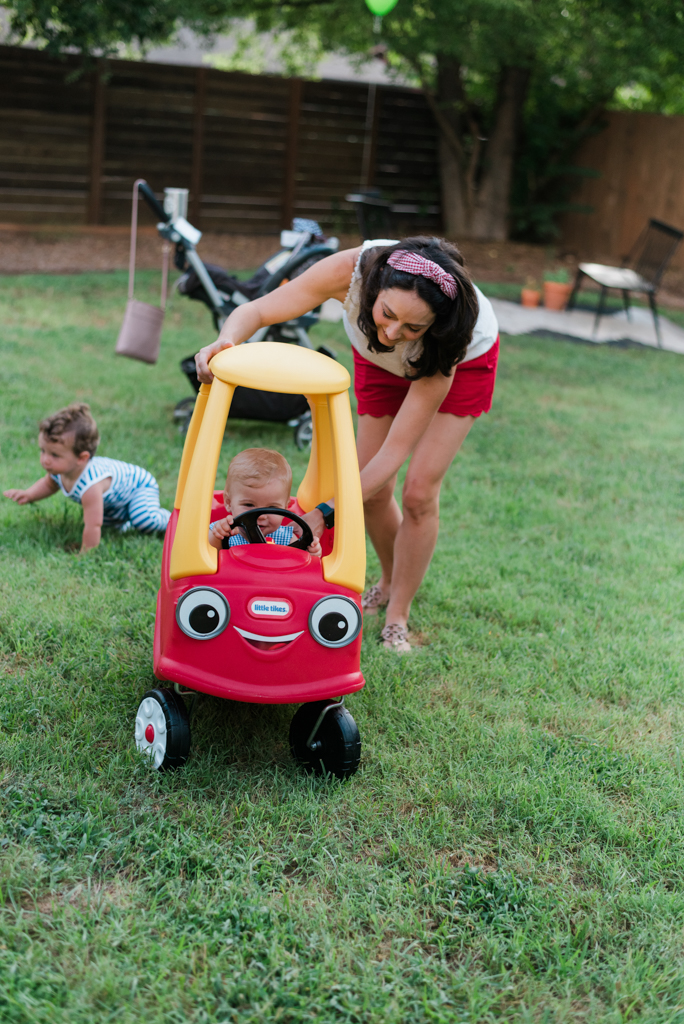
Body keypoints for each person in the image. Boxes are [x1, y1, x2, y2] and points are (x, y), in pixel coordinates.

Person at [195, 236, 499, 653]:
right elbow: (261, 308)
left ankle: (399, 614)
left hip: (452, 364)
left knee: (418, 493)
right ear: (373, 290)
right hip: (376, 360)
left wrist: (325, 513)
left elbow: (396, 451)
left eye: (411, 326)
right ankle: (388, 581)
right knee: (370, 496)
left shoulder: (449, 337)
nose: (393, 331)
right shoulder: (349, 273)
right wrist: (225, 342)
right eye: (387, 314)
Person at [3, 403, 171, 552]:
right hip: (116, 500)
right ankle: (125, 520)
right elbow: (48, 484)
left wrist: (86, 552)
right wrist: (29, 494)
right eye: (43, 450)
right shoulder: (60, 471)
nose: (45, 459)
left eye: (54, 455)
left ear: (82, 458)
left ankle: (173, 521)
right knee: (113, 526)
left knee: (144, 521)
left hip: (139, 487)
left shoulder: (90, 485)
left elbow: (93, 525)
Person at [208, 447, 322, 556]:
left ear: (285, 507)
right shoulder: (222, 531)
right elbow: (206, 556)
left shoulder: (288, 539)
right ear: (228, 503)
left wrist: (311, 553)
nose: (261, 516)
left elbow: (302, 568)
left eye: (272, 507)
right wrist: (217, 538)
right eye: (249, 505)